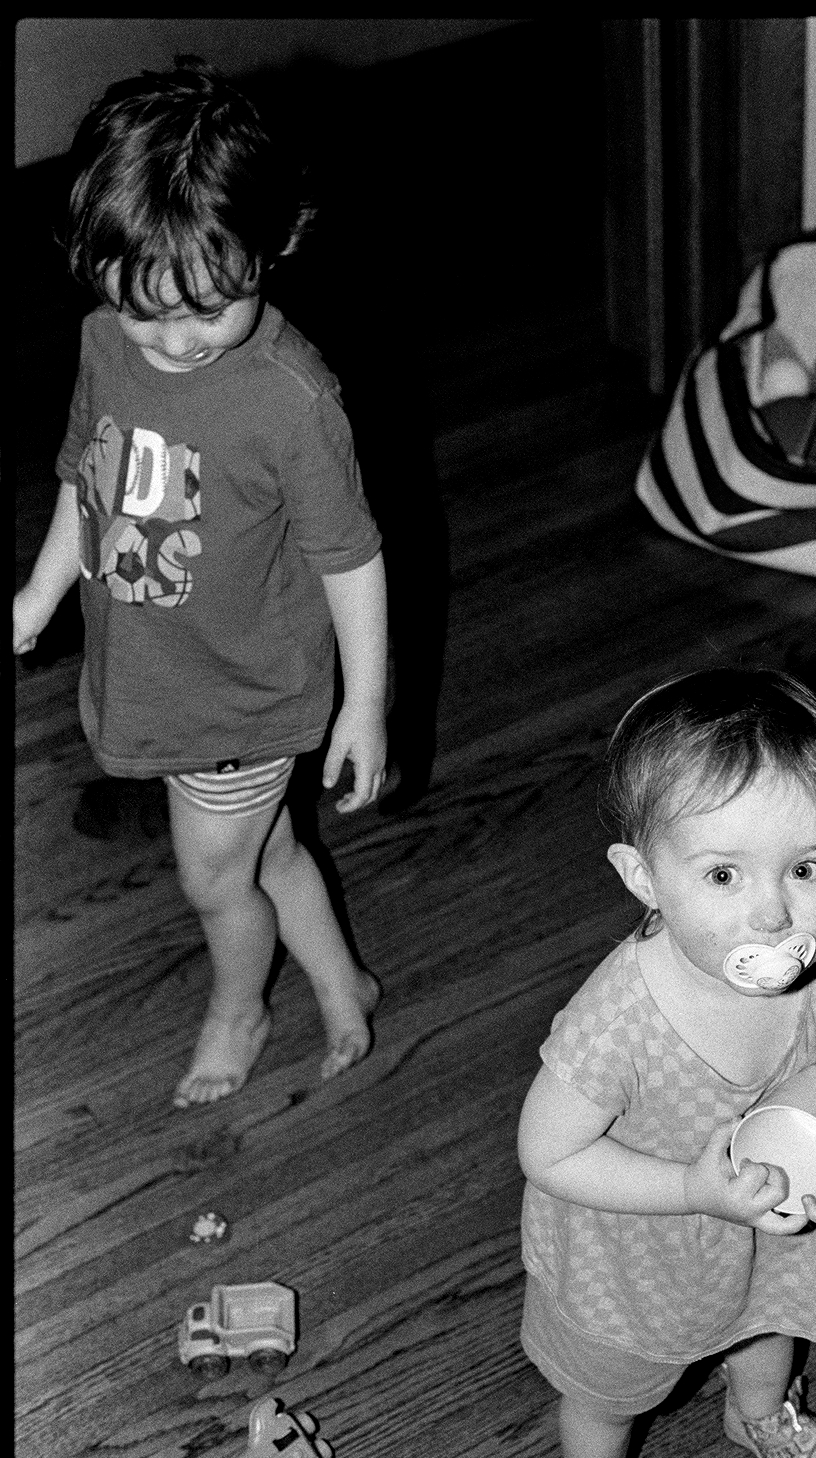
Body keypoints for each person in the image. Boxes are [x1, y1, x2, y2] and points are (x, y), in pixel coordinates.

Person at [13, 59, 387, 1108]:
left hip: (240, 694)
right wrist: (41, 593)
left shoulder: (290, 399)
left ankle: (240, 1007)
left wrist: (364, 704)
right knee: (267, 856)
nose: (174, 341)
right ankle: (341, 981)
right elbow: (85, 475)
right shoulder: (104, 339)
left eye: (208, 311)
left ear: (276, 247)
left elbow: (350, 553)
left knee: (214, 877)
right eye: (144, 313)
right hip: (158, 665)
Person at [518, 668, 816, 1458]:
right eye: (724, 875)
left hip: (774, 1224)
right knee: (608, 1397)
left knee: (772, 1328)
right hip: (638, 1255)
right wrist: (692, 1189)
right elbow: (547, 1154)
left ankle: (761, 1412)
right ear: (644, 877)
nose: (775, 916)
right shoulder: (615, 1024)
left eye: (806, 868)